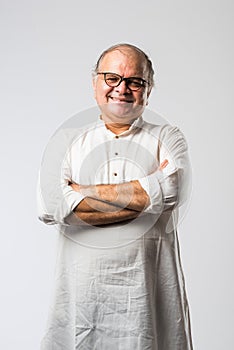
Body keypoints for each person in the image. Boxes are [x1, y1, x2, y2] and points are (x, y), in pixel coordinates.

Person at [38, 43, 193, 350]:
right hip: (82, 305)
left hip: (148, 304)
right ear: (95, 83)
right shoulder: (66, 140)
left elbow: (173, 189)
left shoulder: (168, 137)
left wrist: (81, 193)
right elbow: (53, 205)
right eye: (112, 78)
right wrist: (149, 191)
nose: (122, 89)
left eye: (136, 81)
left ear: (148, 91)